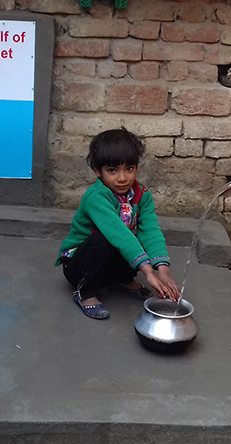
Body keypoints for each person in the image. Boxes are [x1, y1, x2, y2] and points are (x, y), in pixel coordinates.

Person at [57, 128, 181, 320]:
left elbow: (151, 231)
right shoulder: (96, 197)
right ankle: (85, 292)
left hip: (107, 263)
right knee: (108, 237)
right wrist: (148, 272)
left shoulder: (142, 195)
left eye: (129, 169)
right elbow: (118, 234)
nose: (122, 178)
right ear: (97, 171)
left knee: (137, 237)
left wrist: (163, 270)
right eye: (112, 170)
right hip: (79, 266)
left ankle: (123, 280)